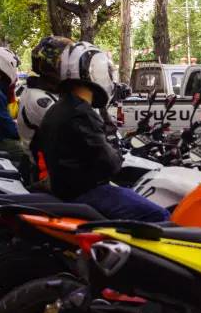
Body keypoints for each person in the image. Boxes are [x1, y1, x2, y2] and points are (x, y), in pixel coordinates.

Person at [39, 42, 169, 222]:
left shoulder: (56, 109)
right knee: (160, 214)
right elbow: (110, 164)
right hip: (87, 192)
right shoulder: (82, 113)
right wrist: (116, 154)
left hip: (63, 189)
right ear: (95, 71)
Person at [17, 36, 73, 184]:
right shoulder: (40, 99)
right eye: (67, 63)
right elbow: (73, 131)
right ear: (53, 66)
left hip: (59, 170)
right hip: (48, 177)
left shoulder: (50, 92)